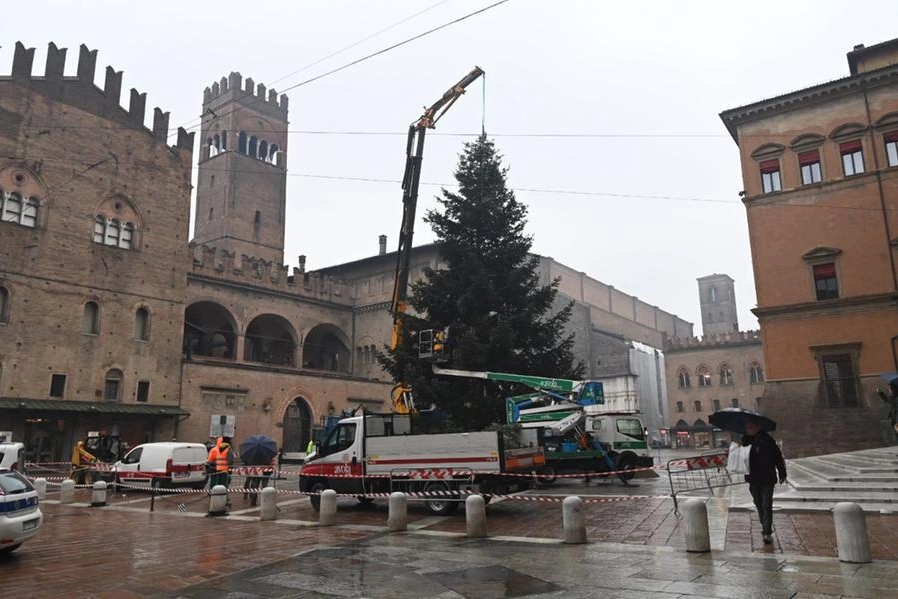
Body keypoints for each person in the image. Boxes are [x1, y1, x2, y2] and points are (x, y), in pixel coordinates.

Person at [741, 417, 787, 545]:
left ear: (758, 427)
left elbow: (778, 457)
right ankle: (764, 526)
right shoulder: (745, 441)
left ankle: (767, 532)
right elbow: (741, 458)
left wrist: (782, 473)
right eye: (747, 428)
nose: (748, 430)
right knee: (759, 504)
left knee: (766, 505)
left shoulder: (768, 441)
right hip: (753, 479)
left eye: (750, 427)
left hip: (767, 478)